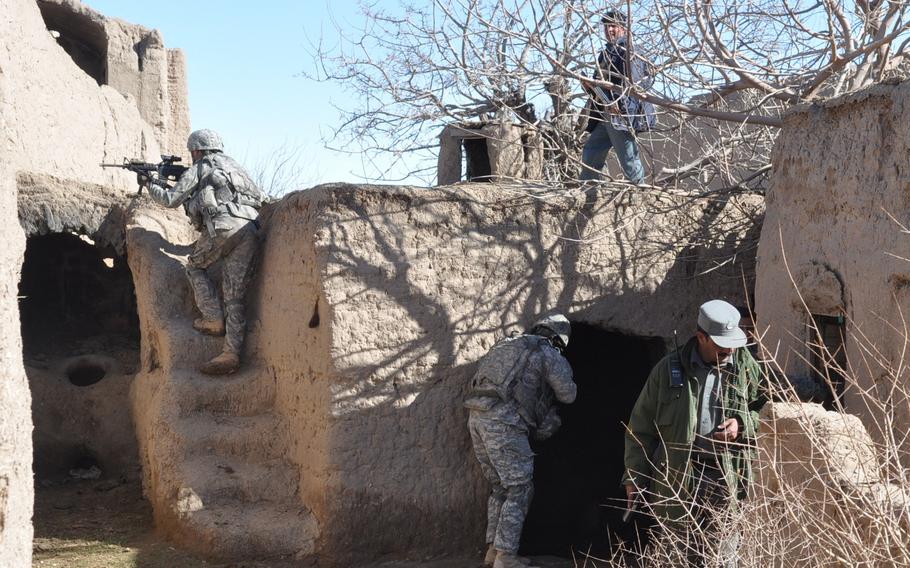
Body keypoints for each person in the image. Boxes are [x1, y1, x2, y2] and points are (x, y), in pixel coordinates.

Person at [623, 300, 765, 567]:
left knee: (722, 558)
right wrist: (634, 476)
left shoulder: (746, 367)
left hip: (728, 478)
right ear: (701, 337)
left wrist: (742, 424)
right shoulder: (667, 370)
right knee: (676, 555)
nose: (730, 350)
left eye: (733, 343)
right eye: (722, 347)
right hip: (679, 479)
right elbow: (640, 427)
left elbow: (768, 412)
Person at [143, 129, 264, 375]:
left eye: (192, 153)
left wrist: (150, 184)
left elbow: (170, 199)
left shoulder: (201, 167)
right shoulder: (238, 169)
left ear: (197, 150)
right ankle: (230, 354)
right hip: (250, 230)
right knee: (234, 298)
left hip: (223, 228)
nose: (191, 157)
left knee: (195, 267)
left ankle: (212, 318)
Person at [465, 314, 577, 568]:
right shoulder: (547, 352)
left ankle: (493, 552)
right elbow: (568, 394)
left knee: (500, 488)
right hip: (504, 421)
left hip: (476, 417)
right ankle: (506, 557)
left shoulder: (507, 344)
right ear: (559, 339)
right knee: (520, 488)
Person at [579, 10, 655, 184]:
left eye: (613, 26)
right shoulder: (605, 54)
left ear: (624, 29)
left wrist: (621, 108)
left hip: (620, 114)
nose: (609, 30)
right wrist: (589, 86)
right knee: (592, 151)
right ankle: (588, 189)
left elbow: (634, 86)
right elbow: (599, 85)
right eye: (606, 26)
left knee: (628, 156)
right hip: (605, 113)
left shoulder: (629, 51)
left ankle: (639, 193)